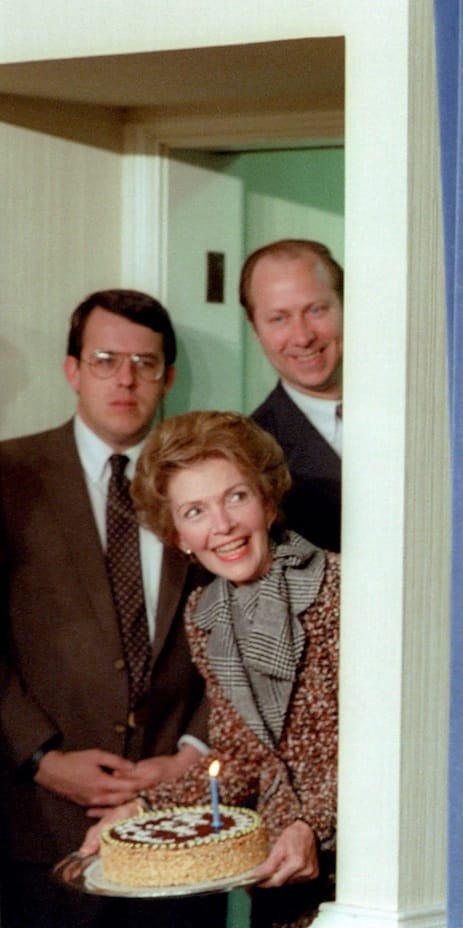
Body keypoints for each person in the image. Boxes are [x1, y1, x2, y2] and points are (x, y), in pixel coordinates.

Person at [0, 290, 220, 927]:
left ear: (167, 379)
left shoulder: (208, 483)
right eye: (105, 360)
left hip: (181, 823)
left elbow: (240, 628)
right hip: (43, 824)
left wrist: (190, 753)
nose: (125, 379)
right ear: (73, 370)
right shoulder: (9, 476)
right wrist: (41, 759)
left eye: (144, 363)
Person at [83, 411, 339, 928]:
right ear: (178, 534)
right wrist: (144, 808)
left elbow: (385, 744)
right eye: (195, 511)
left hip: (360, 864)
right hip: (280, 881)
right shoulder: (207, 616)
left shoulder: (341, 588)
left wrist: (311, 824)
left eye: (236, 497)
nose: (222, 526)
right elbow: (240, 760)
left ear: (267, 502)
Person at [241, 239, 344, 552]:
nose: (302, 337)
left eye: (315, 310)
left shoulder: (419, 409)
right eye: (279, 318)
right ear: (255, 329)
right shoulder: (249, 452)